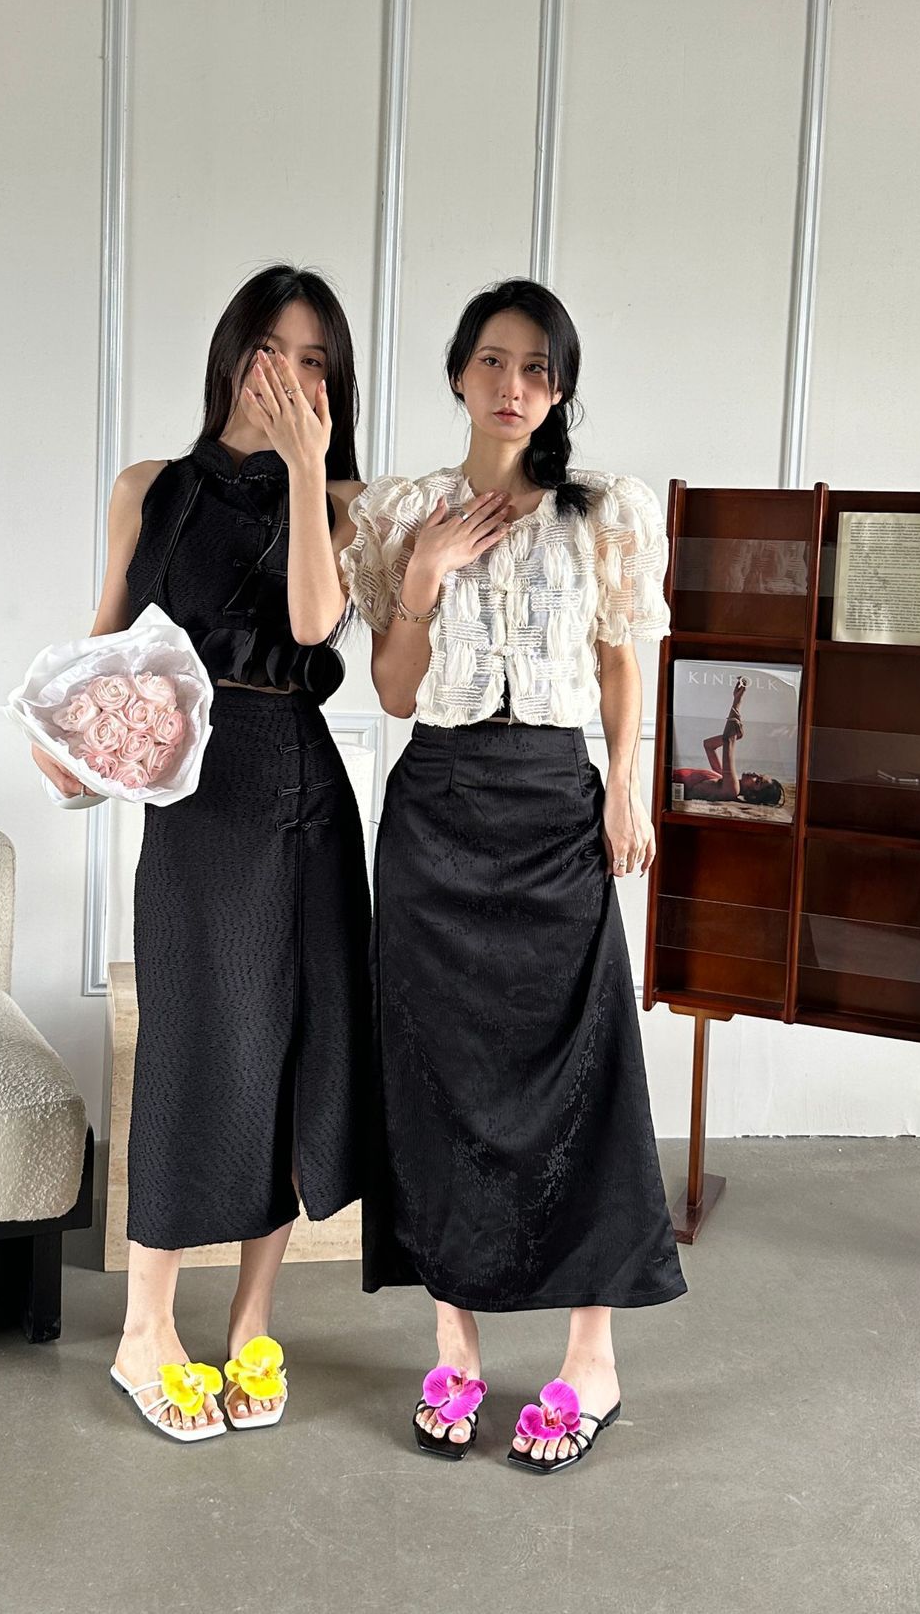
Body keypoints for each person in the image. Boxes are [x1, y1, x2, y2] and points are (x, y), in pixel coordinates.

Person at [339, 277, 686, 1475]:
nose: (513, 383)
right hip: (435, 811)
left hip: (554, 807)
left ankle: (592, 1355)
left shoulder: (605, 511)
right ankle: (456, 1343)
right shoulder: (404, 511)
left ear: (559, 388)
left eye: (538, 367)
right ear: (458, 373)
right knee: (437, 1074)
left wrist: (627, 786)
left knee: (585, 1065)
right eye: (493, 359)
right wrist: (424, 575)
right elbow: (394, 692)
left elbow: (621, 659)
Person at [33, 264, 371, 1443]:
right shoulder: (151, 487)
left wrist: (307, 473)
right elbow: (102, 646)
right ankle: (145, 1328)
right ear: (233, 353)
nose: (292, 374)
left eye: (318, 359)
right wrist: (62, 739)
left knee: (295, 1049)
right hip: (195, 796)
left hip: (305, 789)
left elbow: (317, 624)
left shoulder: (346, 501)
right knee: (190, 1043)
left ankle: (252, 1321)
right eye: (274, 348)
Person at [671, 675, 785, 808]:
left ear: (752, 795)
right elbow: (708, 745)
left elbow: (727, 740)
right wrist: (735, 736)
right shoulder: (724, 778)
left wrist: (737, 701)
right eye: (759, 775)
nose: (754, 774)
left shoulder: (731, 789)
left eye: (757, 781)